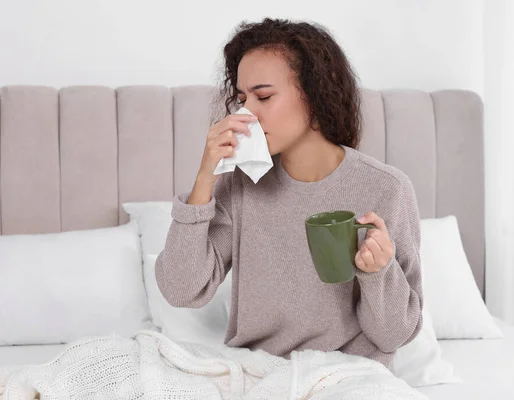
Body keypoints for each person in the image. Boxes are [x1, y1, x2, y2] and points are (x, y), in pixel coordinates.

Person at [156, 18, 423, 369]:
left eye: (263, 96)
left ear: (314, 95)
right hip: (258, 376)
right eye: (242, 98)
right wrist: (206, 176)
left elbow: (393, 336)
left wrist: (378, 273)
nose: (247, 112)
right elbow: (182, 289)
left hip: (349, 379)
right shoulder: (240, 183)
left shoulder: (387, 189)